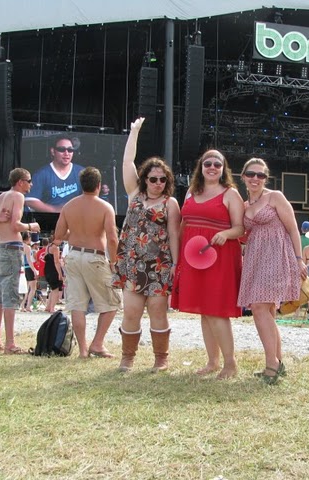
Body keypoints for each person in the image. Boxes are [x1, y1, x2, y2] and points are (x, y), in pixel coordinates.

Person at [111, 117, 181, 372]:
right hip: (132, 263)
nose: (158, 183)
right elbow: (127, 161)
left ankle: (161, 358)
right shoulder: (134, 195)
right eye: (153, 179)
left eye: (162, 179)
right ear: (145, 179)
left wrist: (175, 263)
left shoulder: (170, 204)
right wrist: (134, 132)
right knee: (130, 312)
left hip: (159, 265)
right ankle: (127, 357)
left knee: (157, 312)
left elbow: (174, 234)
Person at [171, 149, 244, 379]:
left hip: (219, 258)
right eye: (207, 163)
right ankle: (213, 361)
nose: (212, 167)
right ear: (200, 167)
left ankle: (230, 364)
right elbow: (184, 225)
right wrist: (180, 258)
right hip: (193, 258)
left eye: (217, 164)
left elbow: (240, 228)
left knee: (216, 311)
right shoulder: (191, 192)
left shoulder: (230, 194)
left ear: (224, 169)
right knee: (204, 311)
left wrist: (226, 233)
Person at [237, 158, 307, 384]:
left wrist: (299, 259)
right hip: (255, 258)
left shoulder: (275, 197)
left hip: (278, 255)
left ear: (266, 178)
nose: (255, 178)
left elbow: (293, 229)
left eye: (260, 175)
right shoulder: (244, 205)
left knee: (259, 307)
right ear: (243, 176)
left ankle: (272, 365)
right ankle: (278, 361)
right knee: (266, 310)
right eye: (251, 174)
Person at [53, 167, 122, 359]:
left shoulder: (69, 206)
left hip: (73, 256)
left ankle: (83, 350)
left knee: (78, 305)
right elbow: (112, 238)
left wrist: (75, 234)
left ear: (80, 185)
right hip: (95, 257)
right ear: (99, 185)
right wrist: (114, 262)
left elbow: (58, 236)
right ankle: (97, 344)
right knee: (112, 301)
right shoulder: (105, 207)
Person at [0, 167, 40, 354]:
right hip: (12, 248)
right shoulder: (17, 197)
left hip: (1, 248)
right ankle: (10, 343)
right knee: (10, 297)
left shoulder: (2, 197)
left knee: (0, 298)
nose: (31, 184)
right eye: (29, 180)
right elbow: (15, 225)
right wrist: (32, 226)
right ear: (20, 182)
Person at [25, 135, 85, 213]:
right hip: (50, 220)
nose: (66, 153)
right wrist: (55, 210)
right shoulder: (41, 174)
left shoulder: (82, 172)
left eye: (70, 150)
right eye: (62, 149)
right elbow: (30, 200)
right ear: (53, 151)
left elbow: (91, 196)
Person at [44, 239, 64, 313]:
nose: (61, 241)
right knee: (55, 290)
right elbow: (56, 262)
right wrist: (60, 274)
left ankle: (48, 306)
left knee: (52, 289)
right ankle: (52, 308)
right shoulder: (56, 248)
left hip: (47, 269)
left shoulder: (48, 246)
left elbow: (45, 258)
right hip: (53, 270)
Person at [21, 232, 39, 312]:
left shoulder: (19, 245)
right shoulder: (27, 247)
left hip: (22, 267)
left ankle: (22, 305)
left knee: (25, 287)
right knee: (32, 288)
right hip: (28, 267)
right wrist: (34, 270)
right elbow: (29, 260)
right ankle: (28, 305)